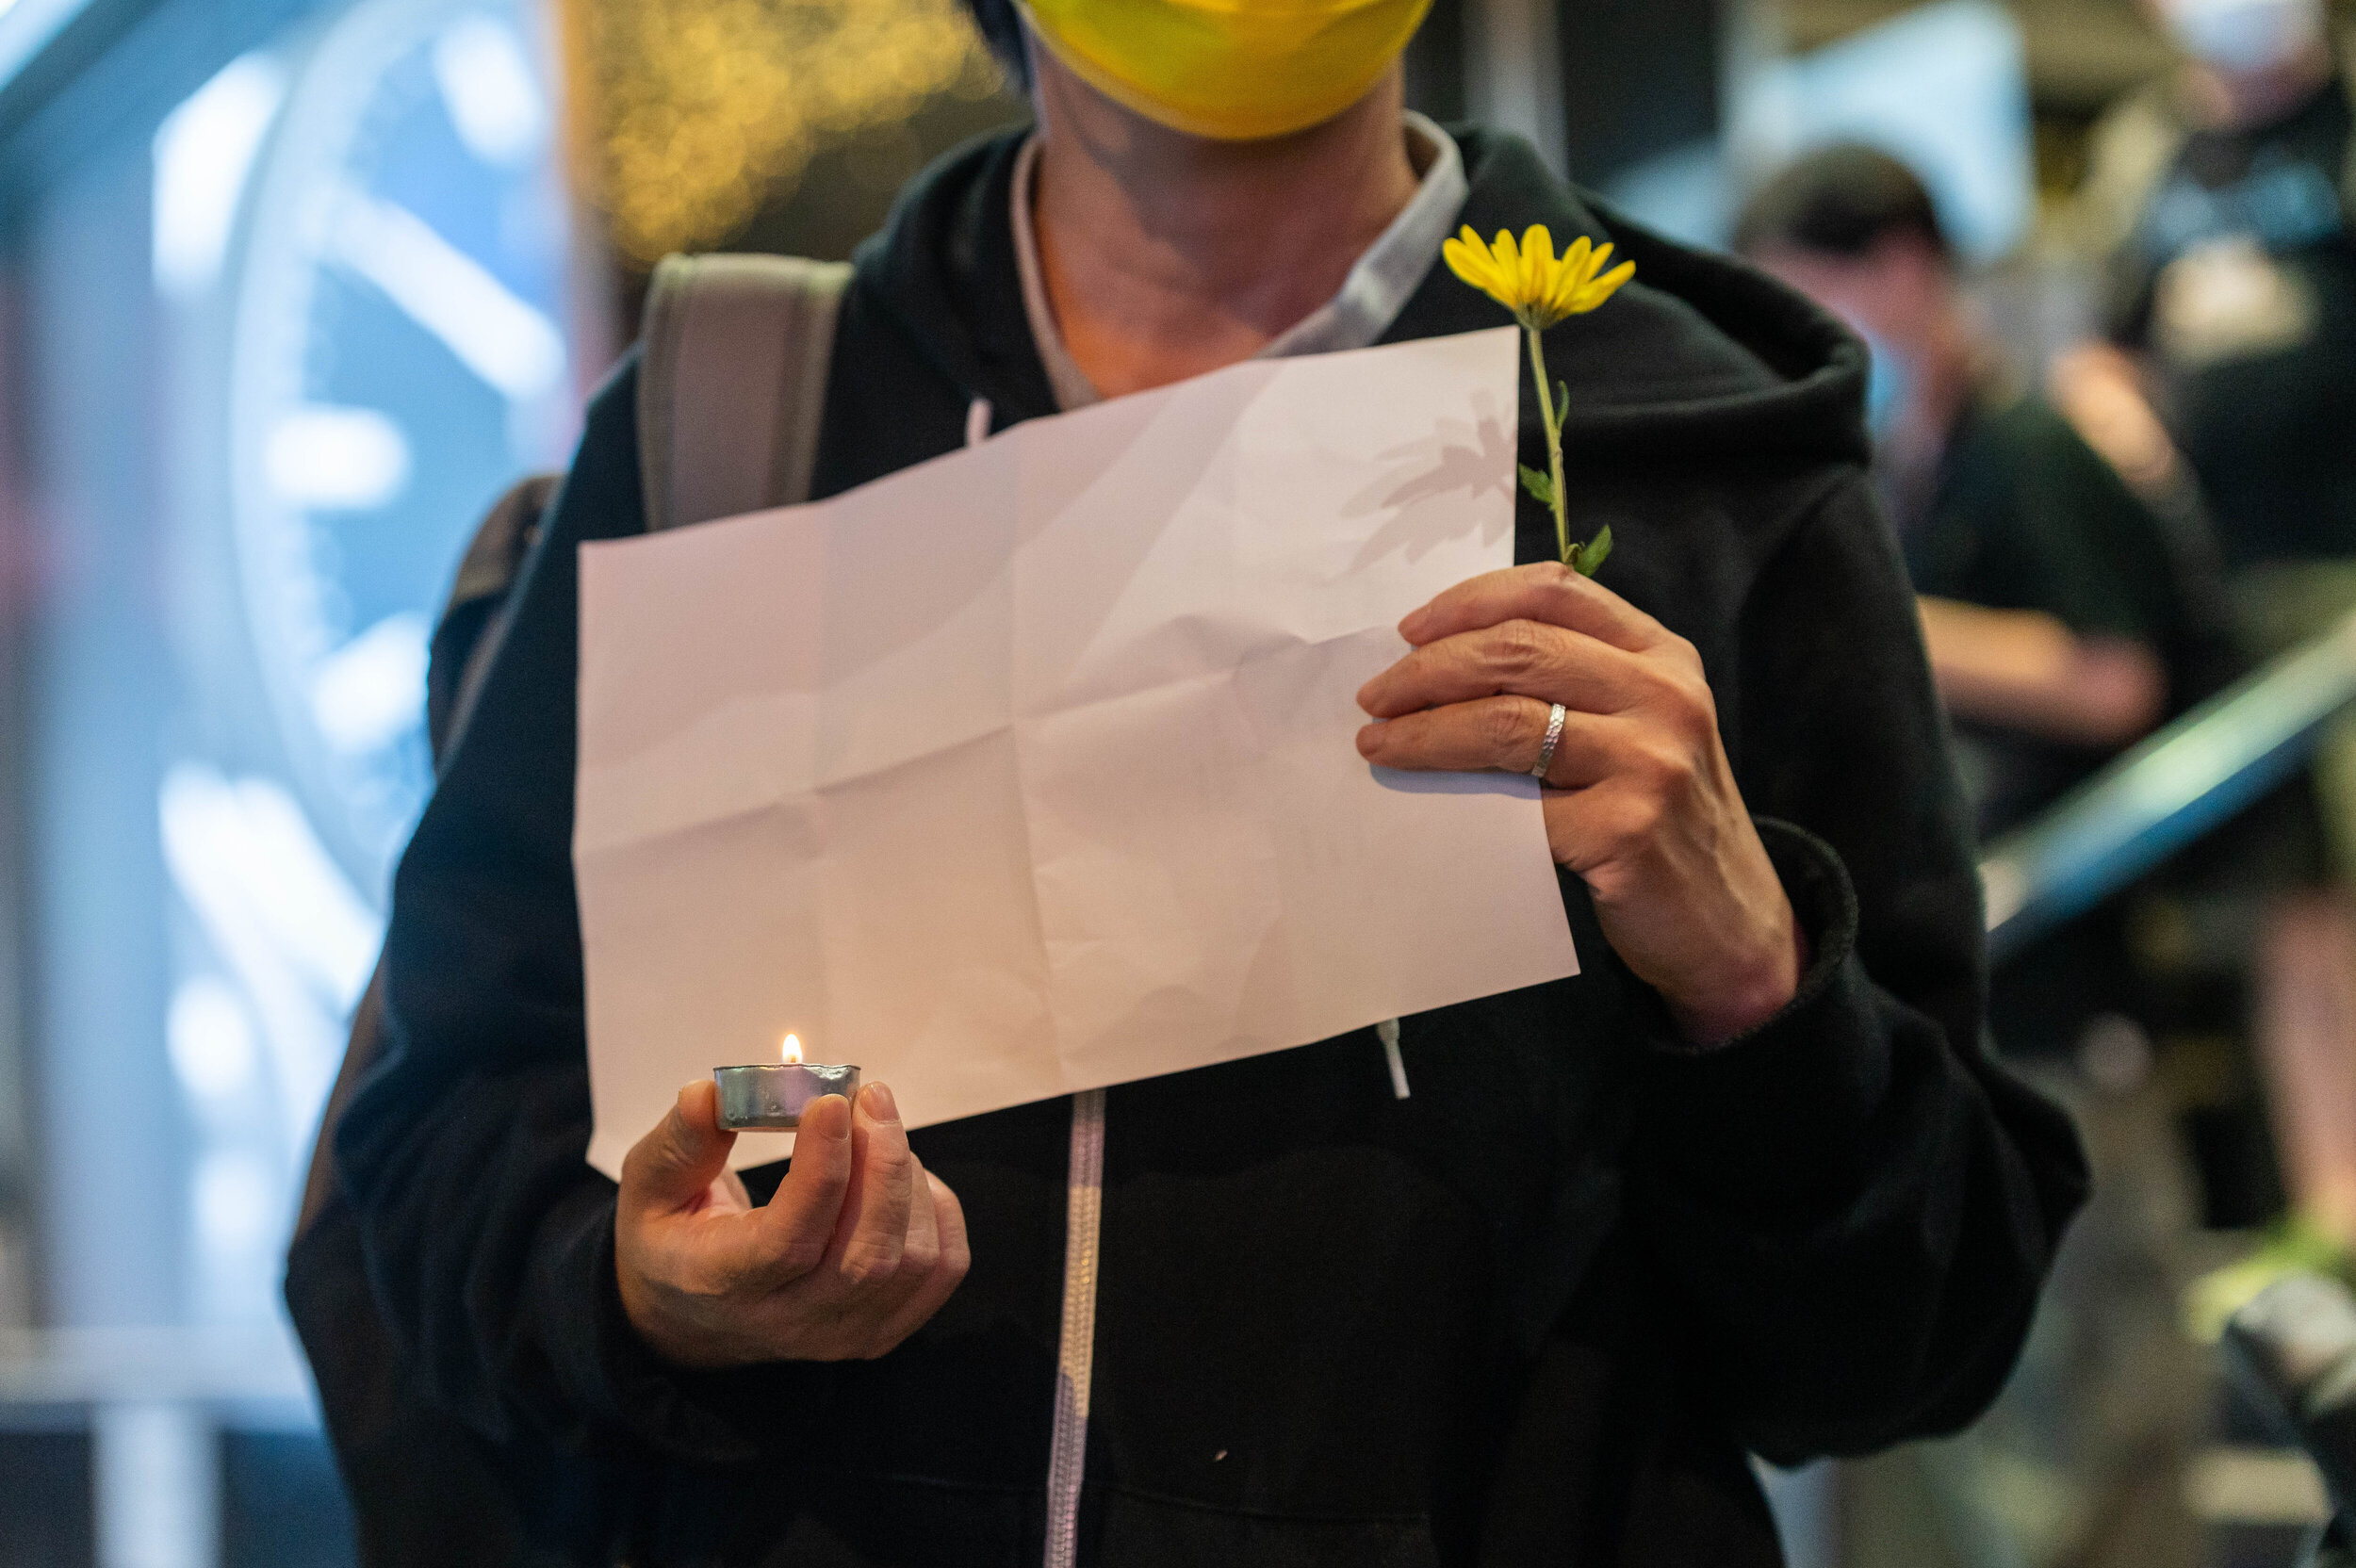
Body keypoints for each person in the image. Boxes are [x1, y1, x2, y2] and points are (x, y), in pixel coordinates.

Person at [331, 3, 2086, 1562]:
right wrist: (639, 1297)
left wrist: (1760, 991)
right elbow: (437, 1152)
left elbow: (1918, 1335)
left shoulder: (1707, 465)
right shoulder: (734, 435)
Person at [1736, 144, 2236, 1062]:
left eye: (1804, 298)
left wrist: (1877, 625)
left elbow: (2112, 678)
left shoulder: (2026, 448)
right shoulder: (1900, 472)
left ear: (1902, 265)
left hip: (2070, 934)